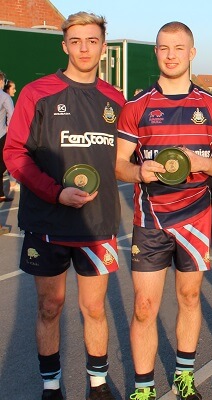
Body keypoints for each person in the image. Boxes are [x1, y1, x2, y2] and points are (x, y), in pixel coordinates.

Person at [3, 12, 125, 400]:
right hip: (47, 219)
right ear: (65, 45)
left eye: (92, 41)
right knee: (49, 305)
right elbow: (14, 153)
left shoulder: (116, 99)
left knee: (94, 308)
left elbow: (129, 159)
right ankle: (51, 386)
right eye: (76, 41)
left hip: (97, 224)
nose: (84, 48)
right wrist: (55, 192)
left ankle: (98, 385)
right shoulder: (37, 93)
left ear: (103, 48)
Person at [115, 21, 212, 400]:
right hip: (150, 217)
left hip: (196, 216)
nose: (171, 55)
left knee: (189, 298)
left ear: (191, 53)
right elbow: (118, 164)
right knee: (145, 306)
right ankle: (144, 387)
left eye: (178, 48)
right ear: (156, 52)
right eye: (164, 48)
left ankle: (184, 376)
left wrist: (202, 162)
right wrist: (138, 170)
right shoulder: (136, 106)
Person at [3, 79, 20, 194]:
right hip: (5, 134)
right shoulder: (6, 99)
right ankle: (13, 183)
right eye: (13, 88)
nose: (15, 90)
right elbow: (12, 117)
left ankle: (12, 182)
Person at [0, 71, 14, 203]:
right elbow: (12, 114)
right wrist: (10, 128)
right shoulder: (4, 96)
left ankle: (1, 193)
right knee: (4, 163)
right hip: (2, 135)